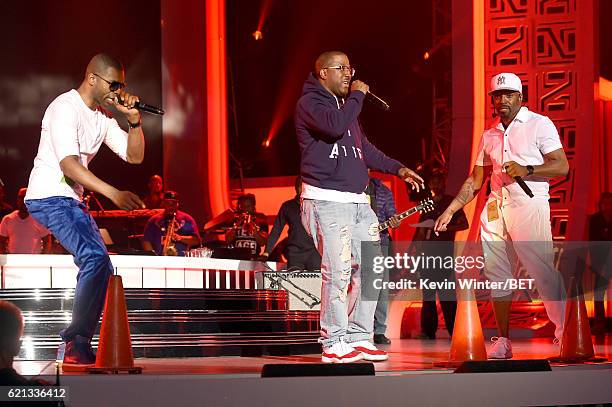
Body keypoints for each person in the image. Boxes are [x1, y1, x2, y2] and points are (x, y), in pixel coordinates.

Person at [296, 50, 424, 363]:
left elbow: (364, 149)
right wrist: (357, 98)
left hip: (357, 202)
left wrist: (399, 168)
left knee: (372, 270)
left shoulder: (346, 108)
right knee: (338, 271)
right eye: (341, 68)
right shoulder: (311, 103)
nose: (348, 74)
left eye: (350, 68)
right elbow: (334, 127)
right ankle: (333, 340)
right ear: (323, 73)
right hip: (328, 200)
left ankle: (358, 335)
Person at [24, 53, 146, 367]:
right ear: (92, 78)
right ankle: (74, 343)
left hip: (70, 200)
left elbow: (134, 157)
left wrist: (133, 121)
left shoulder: (103, 117)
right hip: (49, 196)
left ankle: (79, 342)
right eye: (113, 84)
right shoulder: (64, 108)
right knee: (94, 258)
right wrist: (112, 192)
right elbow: (68, 164)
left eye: (122, 85)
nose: (118, 91)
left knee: (102, 265)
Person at [434, 72, 568, 359]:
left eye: (508, 94)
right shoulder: (490, 134)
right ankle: (503, 341)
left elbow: (561, 166)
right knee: (497, 276)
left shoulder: (538, 124)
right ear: (492, 100)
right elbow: (475, 180)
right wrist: (451, 208)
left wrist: (528, 169)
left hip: (528, 202)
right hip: (495, 205)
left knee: (541, 269)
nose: (502, 100)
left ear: (520, 97)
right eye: (497, 95)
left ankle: (565, 333)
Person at [413, 170, 468, 339]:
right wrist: (415, 252)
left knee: (447, 296)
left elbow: (464, 224)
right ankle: (428, 332)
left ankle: (454, 331)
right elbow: (421, 230)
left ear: (443, 183)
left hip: (444, 254)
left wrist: (446, 227)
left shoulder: (450, 202)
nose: (435, 185)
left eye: (438, 181)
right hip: (427, 255)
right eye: (433, 182)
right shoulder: (427, 203)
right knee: (428, 296)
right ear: (429, 185)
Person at [365, 176, 401, 345]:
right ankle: (359, 329)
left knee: (381, 288)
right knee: (360, 285)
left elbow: (392, 215)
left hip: (381, 241)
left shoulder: (383, 191)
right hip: (356, 242)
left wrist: (394, 221)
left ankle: (379, 331)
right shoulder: (350, 188)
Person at [263, 176, 321, 270]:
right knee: (295, 282)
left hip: (314, 253)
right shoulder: (287, 206)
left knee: (316, 283)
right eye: (299, 186)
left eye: (303, 186)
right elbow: (276, 230)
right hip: (295, 254)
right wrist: (266, 252)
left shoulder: (317, 205)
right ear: (295, 187)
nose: (301, 189)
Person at [142, 191, 201, 256]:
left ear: (178, 204)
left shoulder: (187, 219)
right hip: (160, 261)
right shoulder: (153, 221)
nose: (171, 206)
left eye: (174, 203)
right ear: (163, 203)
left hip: (182, 261)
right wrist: (154, 258)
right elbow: (146, 241)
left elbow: (196, 241)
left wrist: (180, 238)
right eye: (168, 203)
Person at [0, 188, 52, 254]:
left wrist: (43, 260)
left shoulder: (39, 219)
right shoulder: (7, 219)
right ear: (17, 200)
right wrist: (3, 259)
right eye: (21, 197)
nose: (24, 200)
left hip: (33, 262)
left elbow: (47, 241)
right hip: (13, 262)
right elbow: (1, 242)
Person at [588, 192, 612, 334]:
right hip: (600, 261)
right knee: (598, 292)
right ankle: (599, 322)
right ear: (601, 205)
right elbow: (592, 243)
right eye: (606, 203)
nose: (608, 206)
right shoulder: (594, 219)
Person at [225, 194, 269, 258]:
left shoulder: (260, 219)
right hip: (236, 257)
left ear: (253, 206)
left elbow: (262, 243)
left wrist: (254, 228)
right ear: (240, 206)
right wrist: (237, 224)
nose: (246, 209)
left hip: (253, 258)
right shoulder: (233, 219)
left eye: (248, 206)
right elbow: (228, 241)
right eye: (243, 206)